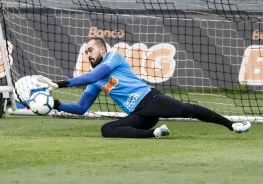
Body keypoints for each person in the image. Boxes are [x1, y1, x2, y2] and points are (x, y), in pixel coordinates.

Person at [37, 37, 251, 138]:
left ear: (103, 48)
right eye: (86, 53)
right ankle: (155, 134)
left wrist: (60, 83)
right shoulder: (95, 81)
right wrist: (54, 104)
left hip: (150, 100)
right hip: (140, 114)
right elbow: (81, 107)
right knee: (106, 130)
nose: (88, 54)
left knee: (188, 109)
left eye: (91, 50)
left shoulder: (113, 57)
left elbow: (95, 74)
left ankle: (232, 125)